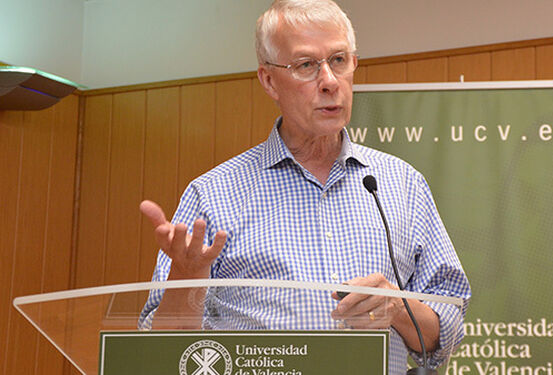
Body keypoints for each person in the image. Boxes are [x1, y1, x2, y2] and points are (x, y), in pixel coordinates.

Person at [139, 0, 471, 373]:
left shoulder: (402, 184)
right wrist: (186, 280)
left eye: (339, 60)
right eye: (306, 66)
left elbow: (448, 331)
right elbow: (159, 349)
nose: (329, 81)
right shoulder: (212, 194)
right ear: (268, 80)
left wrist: (395, 307)